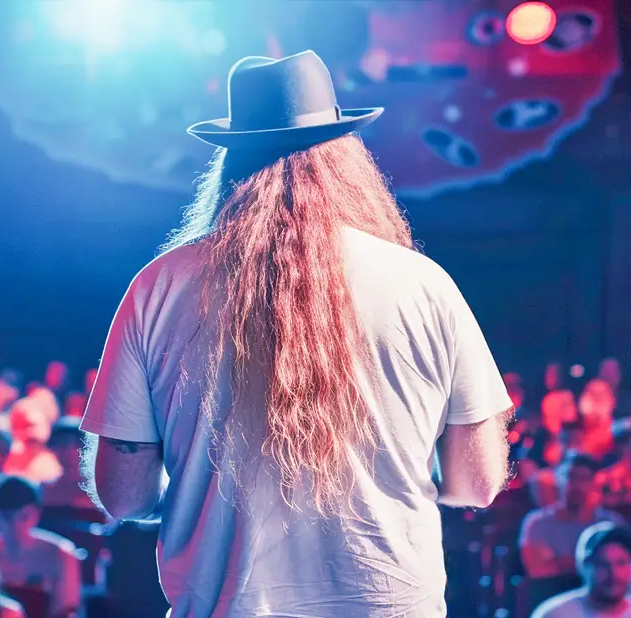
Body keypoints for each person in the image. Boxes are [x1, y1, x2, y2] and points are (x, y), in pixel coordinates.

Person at [80, 50, 512, 617]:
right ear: (346, 157)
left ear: (230, 160)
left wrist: (201, 502)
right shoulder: (423, 286)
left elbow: (125, 495)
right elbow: (476, 484)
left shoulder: (158, 288)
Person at [0, 476, 80, 618]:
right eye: (7, 518)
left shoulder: (61, 553)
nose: (16, 527)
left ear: (37, 515)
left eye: (24, 517)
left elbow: (66, 612)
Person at [530, 521, 631, 618]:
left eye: (621, 563)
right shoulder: (555, 614)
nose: (613, 573)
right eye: (602, 564)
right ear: (583, 567)